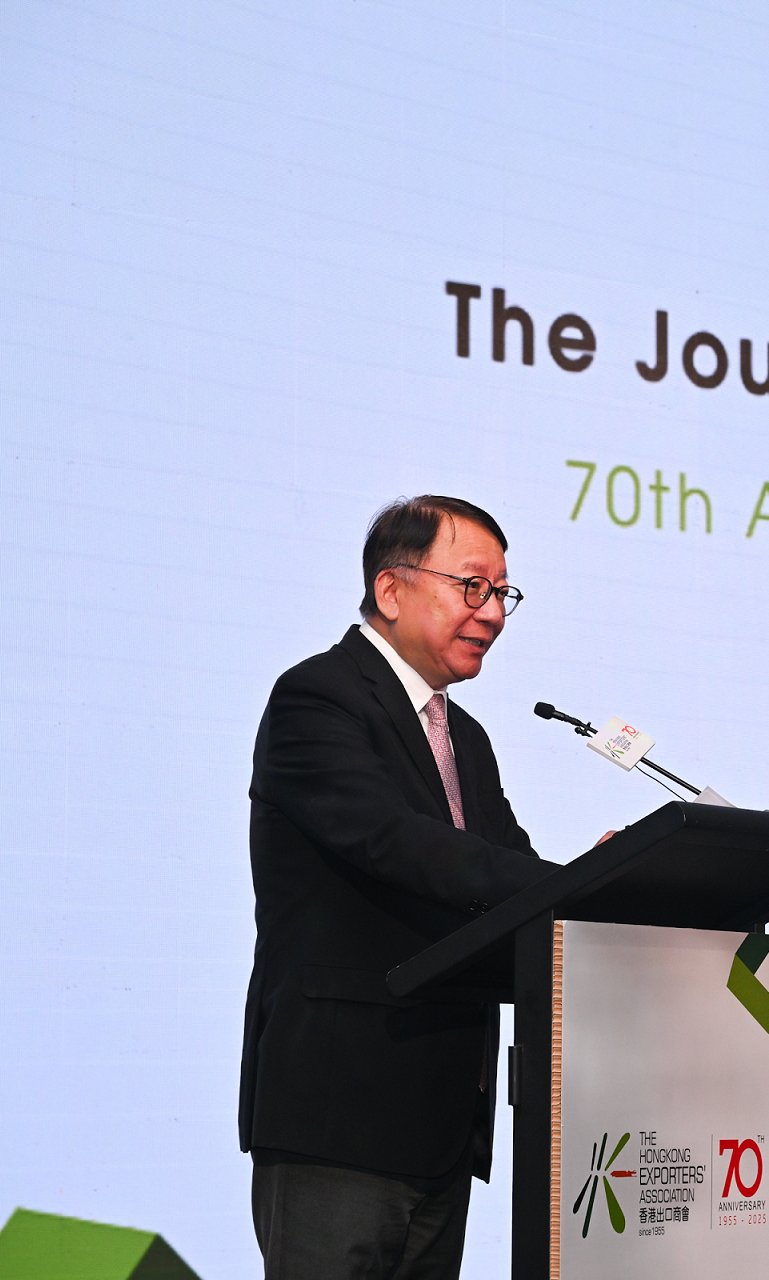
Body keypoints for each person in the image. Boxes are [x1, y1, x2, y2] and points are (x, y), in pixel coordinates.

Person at [240, 495, 549, 1280]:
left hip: (441, 1120)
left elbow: (511, 868)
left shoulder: (465, 738)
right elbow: (399, 845)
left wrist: (601, 882)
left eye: (503, 593)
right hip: (340, 1115)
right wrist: (577, 885)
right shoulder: (319, 698)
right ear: (391, 591)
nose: (494, 613)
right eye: (472, 587)